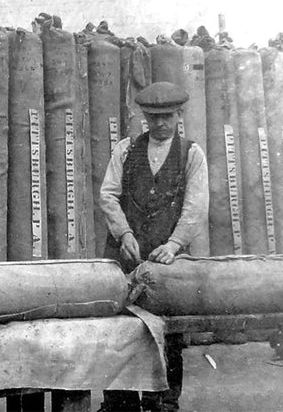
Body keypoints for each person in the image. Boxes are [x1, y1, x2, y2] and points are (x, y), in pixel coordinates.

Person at [96, 81, 209, 412]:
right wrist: (123, 234)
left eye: (167, 117)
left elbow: (196, 206)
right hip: (125, 252)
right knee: (120, 329)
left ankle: (163, 401)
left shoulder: (191, 154)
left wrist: (174, 245)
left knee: (167, 330)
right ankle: (119, 402)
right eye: (153, 117)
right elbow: (108, 194)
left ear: (179, 115)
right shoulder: (126, 149)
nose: (160, 124)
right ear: (144, 116)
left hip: (166, 258)